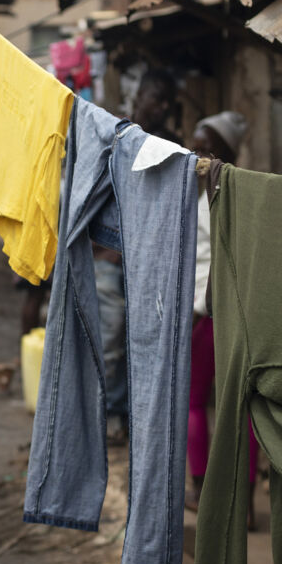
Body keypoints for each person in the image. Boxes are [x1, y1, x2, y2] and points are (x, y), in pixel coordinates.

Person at [94, 67, 181, 444]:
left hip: (154, 263)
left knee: (148, 342)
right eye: (155, 99)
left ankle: (141, 420)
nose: (160, 107)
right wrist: (103, 247)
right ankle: (113, 415)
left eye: (166, 102)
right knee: (111, 343)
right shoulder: (117, 140)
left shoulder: (174, 147)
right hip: (112, 259)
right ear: (140, 96)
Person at [186, 110, 258, 528]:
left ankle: (199, 490)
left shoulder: (207, 196)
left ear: (224, 151)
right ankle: (245, 507)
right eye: (195, 144)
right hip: (238, 313)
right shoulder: (246, 194)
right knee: (240, 408)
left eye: (206, 145)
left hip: (205, 313)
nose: (198, 152)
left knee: (196, 401)